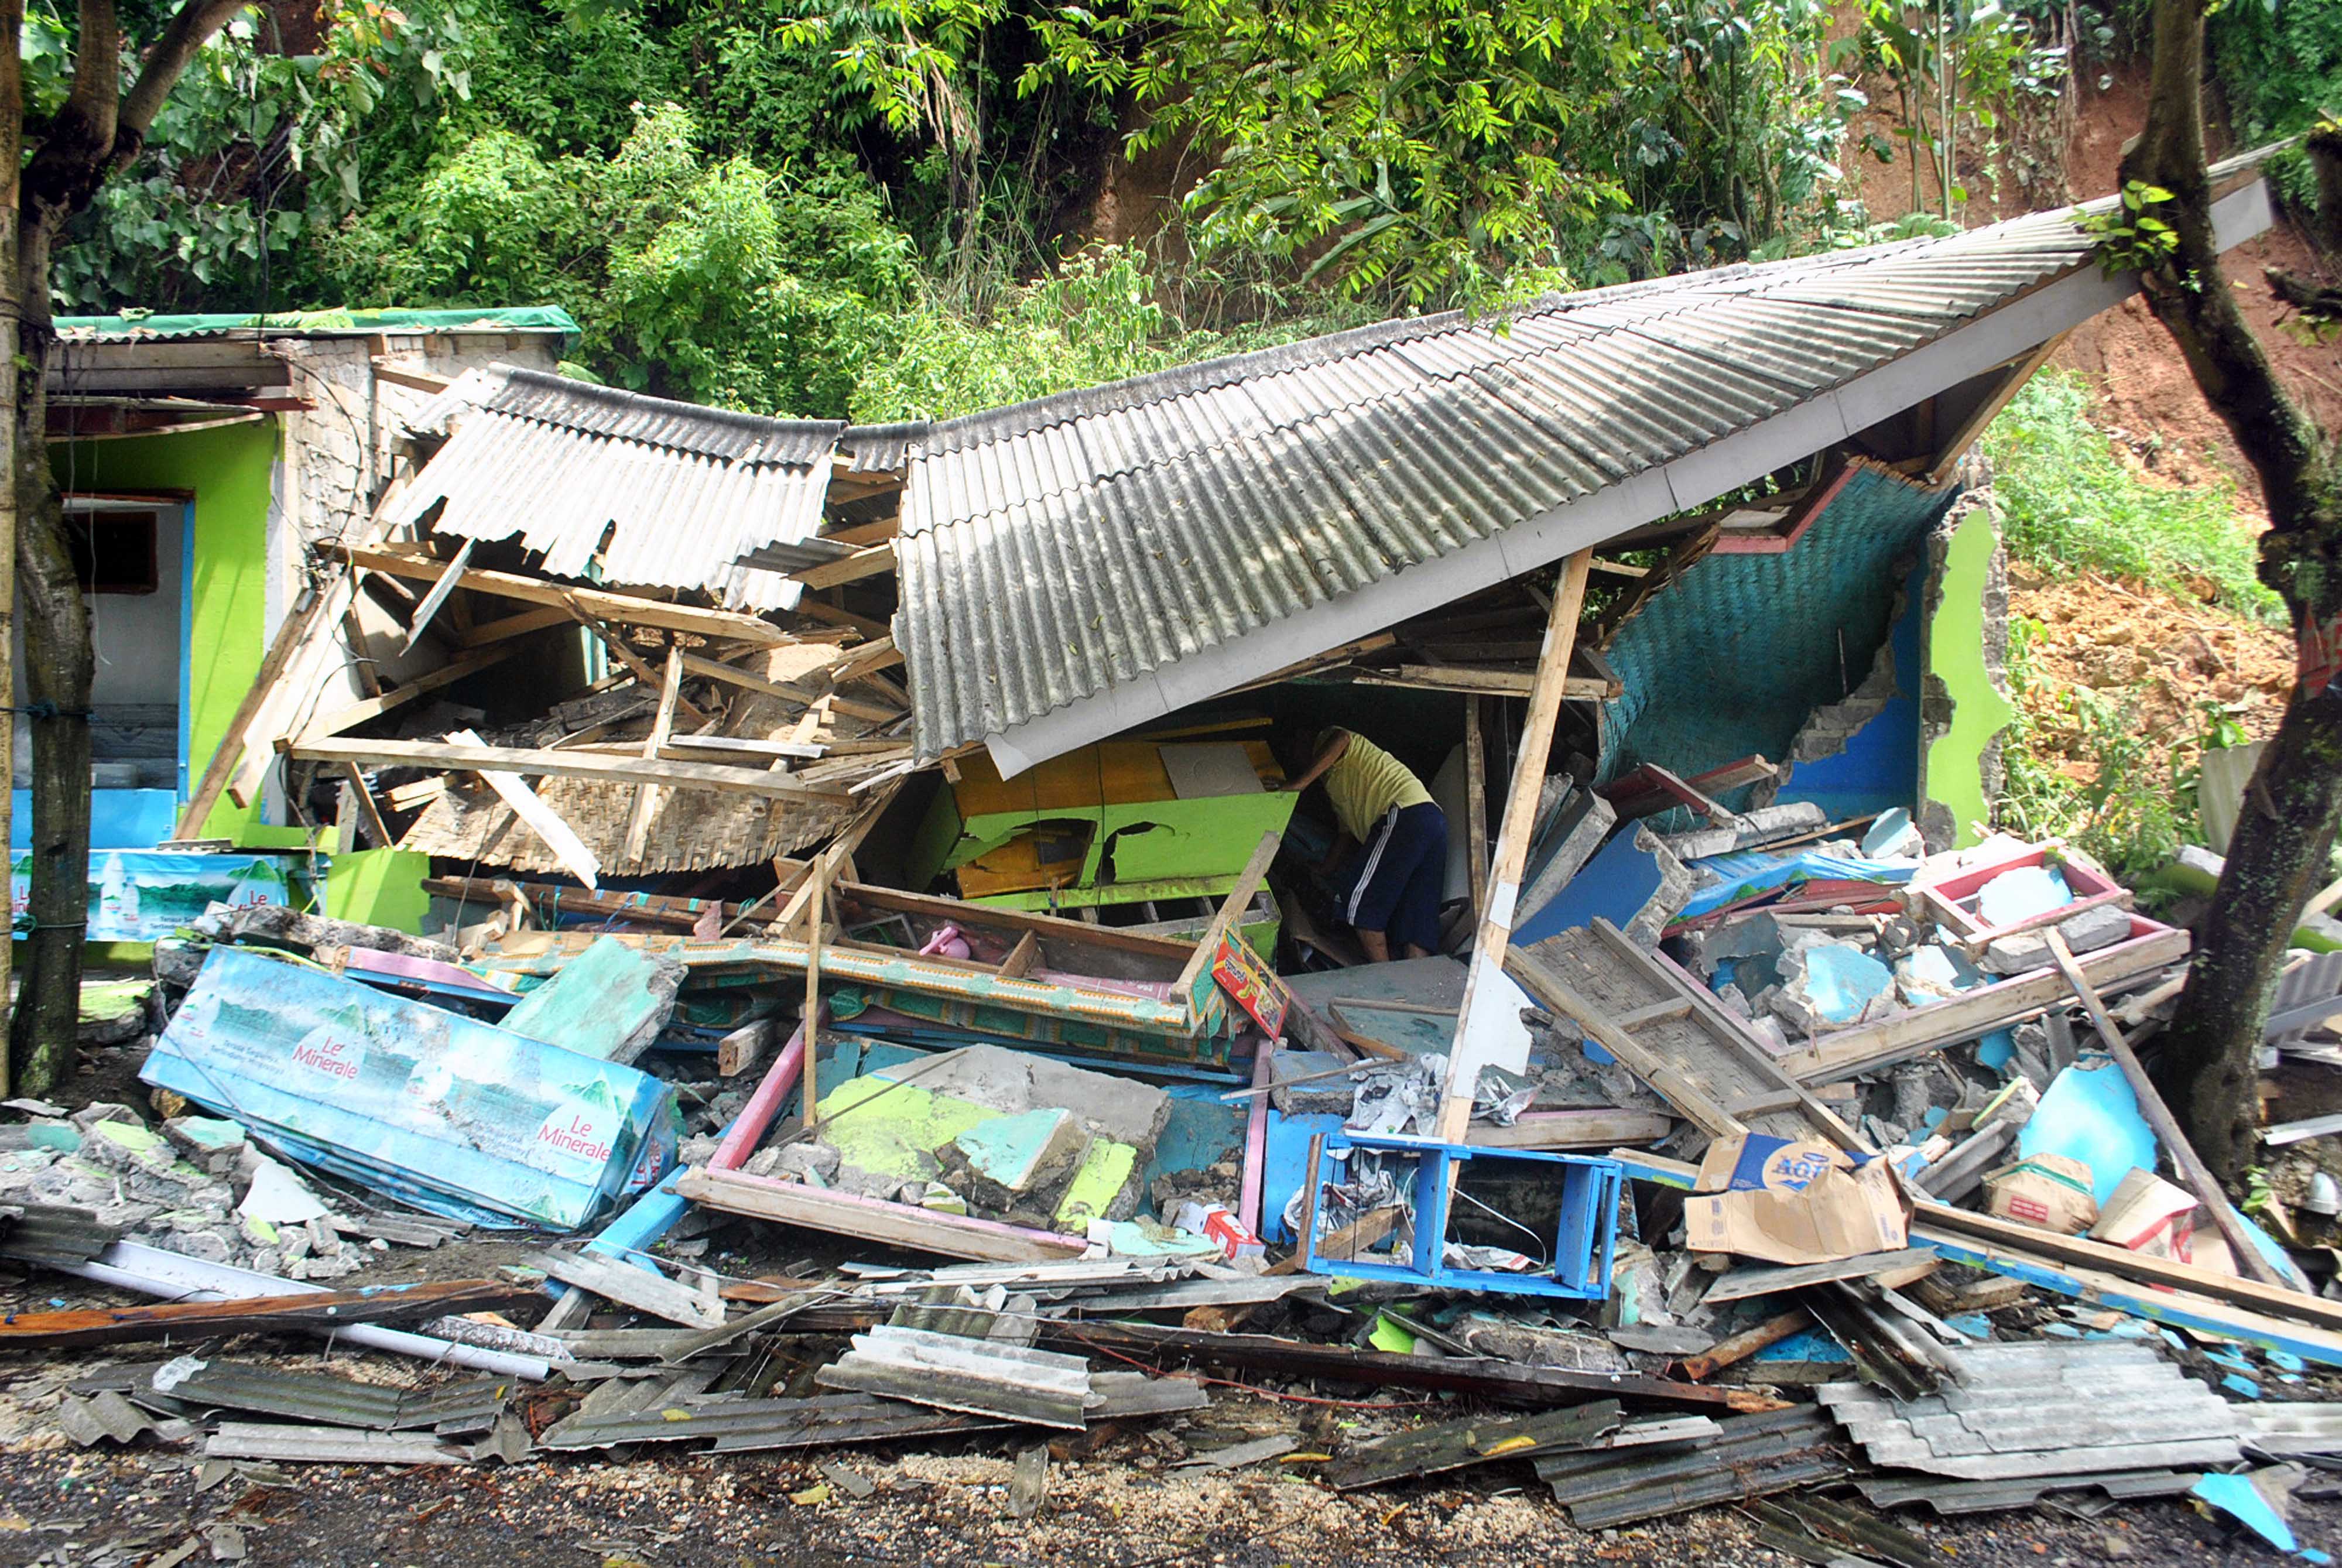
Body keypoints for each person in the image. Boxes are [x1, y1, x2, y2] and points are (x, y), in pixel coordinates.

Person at [1284, 726, 1449, 962]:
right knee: (1417, 919)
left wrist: (1298, 785)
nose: (1296, 759)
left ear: (1302, 741)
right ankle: (1416, 986)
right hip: (1432, 821)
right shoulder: (1338, 783)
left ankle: (1387, 984)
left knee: (1361, 909)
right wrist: (1323, 869)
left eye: (1293, 752)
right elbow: (1345, 834)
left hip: (1403, 813)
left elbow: (1341, 739)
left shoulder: (1328, 736)